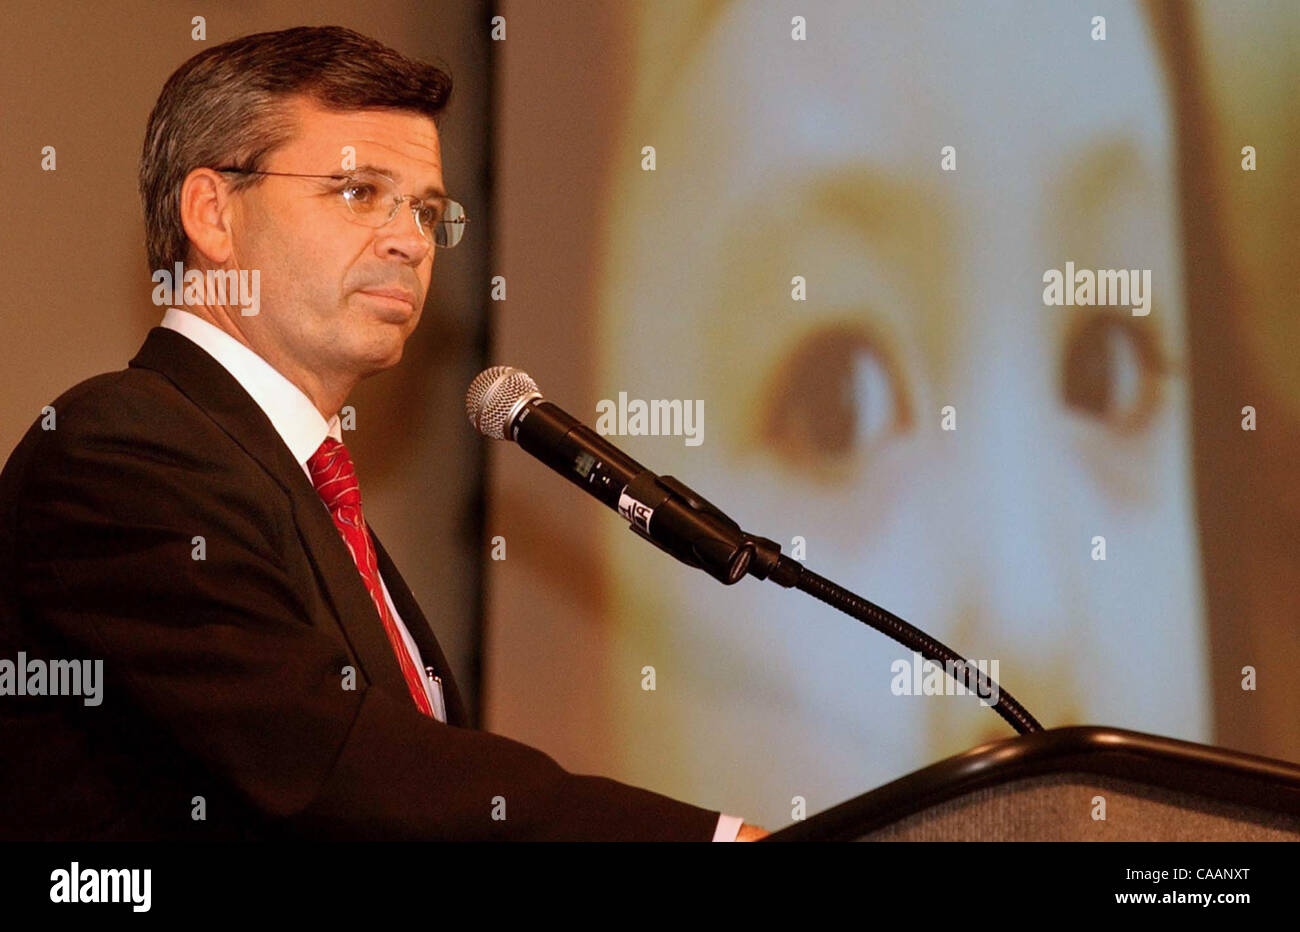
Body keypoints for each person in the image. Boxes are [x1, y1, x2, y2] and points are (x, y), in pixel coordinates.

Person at [0, 25, 764, 841]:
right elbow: (337, 764)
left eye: (428, 210)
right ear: (213, 214)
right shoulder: (119, 450)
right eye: (360, 191)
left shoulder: (297, 481)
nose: (410, 240)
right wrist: (712, 842)